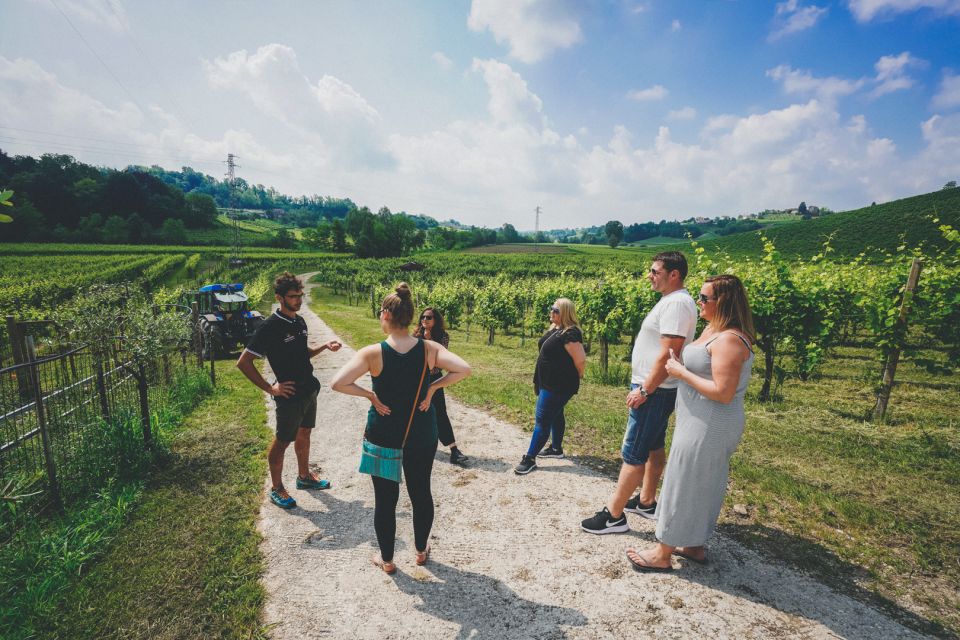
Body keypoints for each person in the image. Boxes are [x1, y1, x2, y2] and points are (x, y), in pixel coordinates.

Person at [330, 283, 471, 575]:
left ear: (385, 315)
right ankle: (420, 552)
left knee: (385, 499)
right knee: (421, 493)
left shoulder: (373, 353)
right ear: (410, 316)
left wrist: (370, 396)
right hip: (421, 433)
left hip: (383, 434)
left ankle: (388, 559)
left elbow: (337, 383)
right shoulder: (430, 349)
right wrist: (433, 387)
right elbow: (463, 369)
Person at [625, 274, 755, 571]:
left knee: (684, 481)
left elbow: (723, 393)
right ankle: (693, 544)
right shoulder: (716, 331)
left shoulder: (730, 340)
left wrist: (680, 372)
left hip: (709, 422)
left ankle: (662, 553)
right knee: (701, 481)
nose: (699, 302)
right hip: (700, 420)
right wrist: (681, 367)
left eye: (705, 298)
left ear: (723, 302)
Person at [581, 251, 697, 533]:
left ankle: (614, 515)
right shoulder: (671, 301)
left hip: (654, 389)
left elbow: (669, 352)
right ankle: (646, 501)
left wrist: (645, 389)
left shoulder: (677, 303)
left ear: (674, 274)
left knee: (634, 452)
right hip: (658, 388)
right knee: (654, 446)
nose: (650, 275)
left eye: (655, 271)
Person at [237, 272, 342, 510]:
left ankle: (304, 477)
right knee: (282, 441)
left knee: (305, 433)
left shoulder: (299, 321)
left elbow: (301, 352)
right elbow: (243, 362)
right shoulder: (269, 327)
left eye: (300, 296)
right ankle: (276, 488)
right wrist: (270, 388)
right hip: (289, 395)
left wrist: (324, 346)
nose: (298, 300)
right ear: (279, 297)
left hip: (308, 389)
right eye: (293, 297)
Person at [514, 298, 586, 474]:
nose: (551, 312)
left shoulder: (570, 333)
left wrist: (577, 376)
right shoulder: (557, 329)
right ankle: (556, 448)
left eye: (556, 310)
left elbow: (581, 360)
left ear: (565, 313)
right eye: (551, 309)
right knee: (556, 413)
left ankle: (530, 458)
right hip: (547, 381)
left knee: (543, 419)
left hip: (558, 385)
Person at [413, 307, 469, 466]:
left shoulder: (443, 337)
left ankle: (454, 450)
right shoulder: (415, 335)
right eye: (423, 317)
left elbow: (437, 363)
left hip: (434, 379)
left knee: (440, 413)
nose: (425, 320)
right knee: (416, 411)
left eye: (429, 317)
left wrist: (429, 341)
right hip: (417, 379)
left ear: (435, 320)